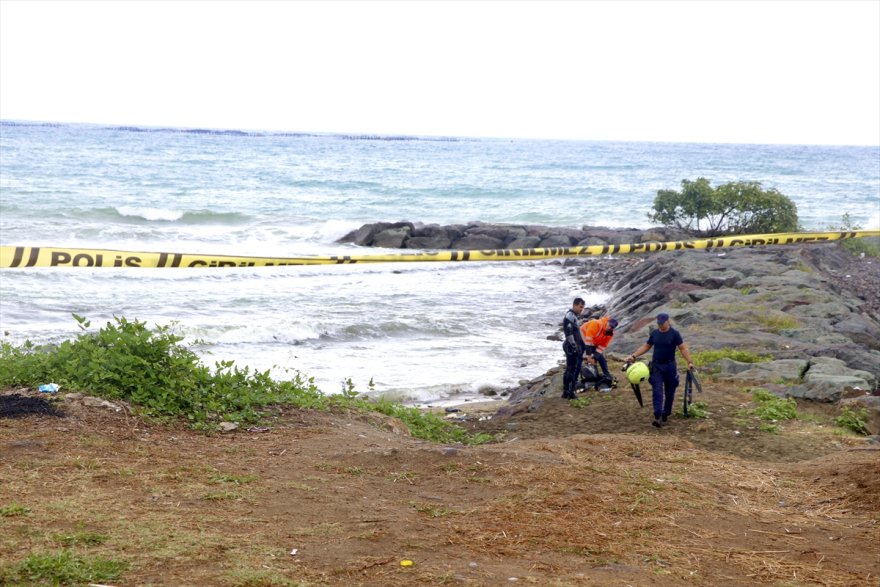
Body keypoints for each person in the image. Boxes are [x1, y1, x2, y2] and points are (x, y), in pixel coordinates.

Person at [625, 312, 695, 427]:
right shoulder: (655, 333)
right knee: (657, 391)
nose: (660, 325)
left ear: (668, 321)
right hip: (656, 367)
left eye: (662, 323)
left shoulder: (674, 334)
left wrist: (689, 362)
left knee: (670, 392)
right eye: (659, 323)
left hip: (670, 366)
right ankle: (658, 415)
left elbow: (682, 348)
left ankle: (666, 413)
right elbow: (646, 346)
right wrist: (633, 356)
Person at [580, 315, 618, 391]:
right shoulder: (596, 324)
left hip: (593, 341)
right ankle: (576, 377)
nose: (610, 328)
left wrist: (594, 358)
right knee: (579, 356)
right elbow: (588, 341)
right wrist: (589, 356)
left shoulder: (609, 334)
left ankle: (606, 376)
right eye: (609, 325)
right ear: (607, 322)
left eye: (612, 327)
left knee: (601, 359)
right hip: (582, 335)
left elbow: (601, 348)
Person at [561, 297, 586, 399]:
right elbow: (569, 333)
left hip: (570, 345)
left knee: (569, 369)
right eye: (580, 307)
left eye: (583, 308)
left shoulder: (572, 316)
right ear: (574, 305)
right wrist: (575, 347)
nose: (581, 309)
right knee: (572, 369)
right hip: (571, 346)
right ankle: (570, 392)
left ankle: (566, 392)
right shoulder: (570, 316)